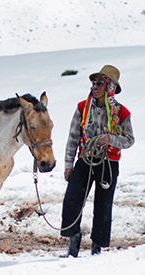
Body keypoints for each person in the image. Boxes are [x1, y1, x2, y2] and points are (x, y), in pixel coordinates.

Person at [60, 65, 135, 257]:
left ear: (109, 86)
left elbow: (129, 139)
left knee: (103, 204)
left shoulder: (122, 113)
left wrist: (112, 139)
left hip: (108, 163)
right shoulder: (82, 108)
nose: (95, 86)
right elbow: (73, 138)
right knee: (72, 200)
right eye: (94, 82)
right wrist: (69, 165)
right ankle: (73, 242)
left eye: (100, 83)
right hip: (85, 160)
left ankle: (97, 246)